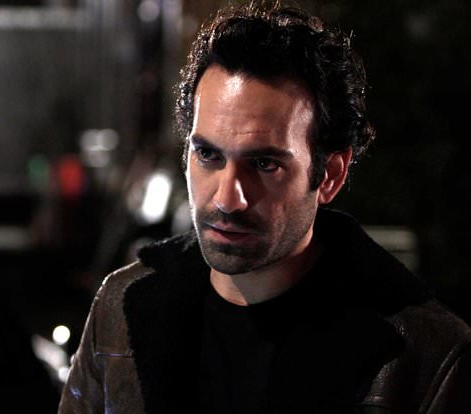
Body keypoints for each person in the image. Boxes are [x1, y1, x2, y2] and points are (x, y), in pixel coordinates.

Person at [58, 1, 471, 413]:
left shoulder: (425, 354)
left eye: (264, 164)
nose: (227, 198)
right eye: (208, 155)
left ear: (330, 175)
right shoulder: (121, 308)